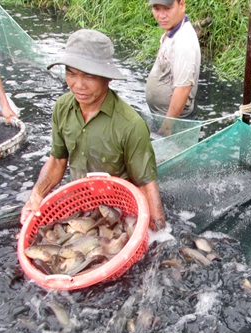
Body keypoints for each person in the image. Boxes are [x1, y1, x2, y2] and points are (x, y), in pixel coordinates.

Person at [20, 29, 166, 231]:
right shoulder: (62, 107)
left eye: (89, 76)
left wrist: (159, 233)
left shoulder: (130, 125)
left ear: (108, 78)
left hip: (118, 215)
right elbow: (57, 160)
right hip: (78, 207)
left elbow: (146, 184)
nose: (78, 85)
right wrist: (36, 194)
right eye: (71, 73)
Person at [145, 0, 201, 135]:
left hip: (176, 123)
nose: (161, 15)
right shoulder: (172, 31)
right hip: (162, 116)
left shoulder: (184, 42)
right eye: (157, 9)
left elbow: (183, 88)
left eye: (167, 9)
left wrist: (167, 126)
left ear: (182, 5)